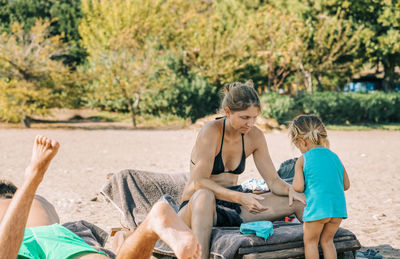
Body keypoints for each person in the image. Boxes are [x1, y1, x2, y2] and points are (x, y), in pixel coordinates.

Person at [0, 135, 200, 259]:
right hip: (56, 236)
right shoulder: (39, 203)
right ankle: (151, 225)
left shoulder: (19, 206)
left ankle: (32, 177)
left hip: (27, 241)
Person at [178, 81, 307, 259]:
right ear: (228, 112)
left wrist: (290, 190)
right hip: (198, 206)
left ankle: (326, 247)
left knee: (299, 201)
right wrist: (240, 197)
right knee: (205, 196)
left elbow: (273, 181)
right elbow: (199, 182)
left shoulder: (255, 136)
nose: (250, 123)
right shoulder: (211, 132)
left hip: (233, 207)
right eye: (245, 117)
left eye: (254, 117)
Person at [289, 115, 350, 259]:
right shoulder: (334, 156)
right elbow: (346, 185)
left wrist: (292, 187)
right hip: (337, 209)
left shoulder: (303, 159)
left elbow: (298, 188)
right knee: (327, 241)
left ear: (301, 142)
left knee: (310, 242)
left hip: (317, 209)